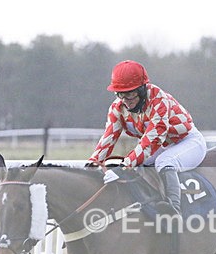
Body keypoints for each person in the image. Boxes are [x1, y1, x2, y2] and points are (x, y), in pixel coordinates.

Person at [88, 60, 207, 215]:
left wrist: (123, 167)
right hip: (162, 145)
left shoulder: (159, 100)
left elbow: (151, 141)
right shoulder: (117, 108)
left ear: (142, 90)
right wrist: (90, 165)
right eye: (121, 94)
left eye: (130, 94)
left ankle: (174, 209)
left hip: (187, 141)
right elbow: (108, 138)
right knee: (137, 165)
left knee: (164, 161)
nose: (126, 101)